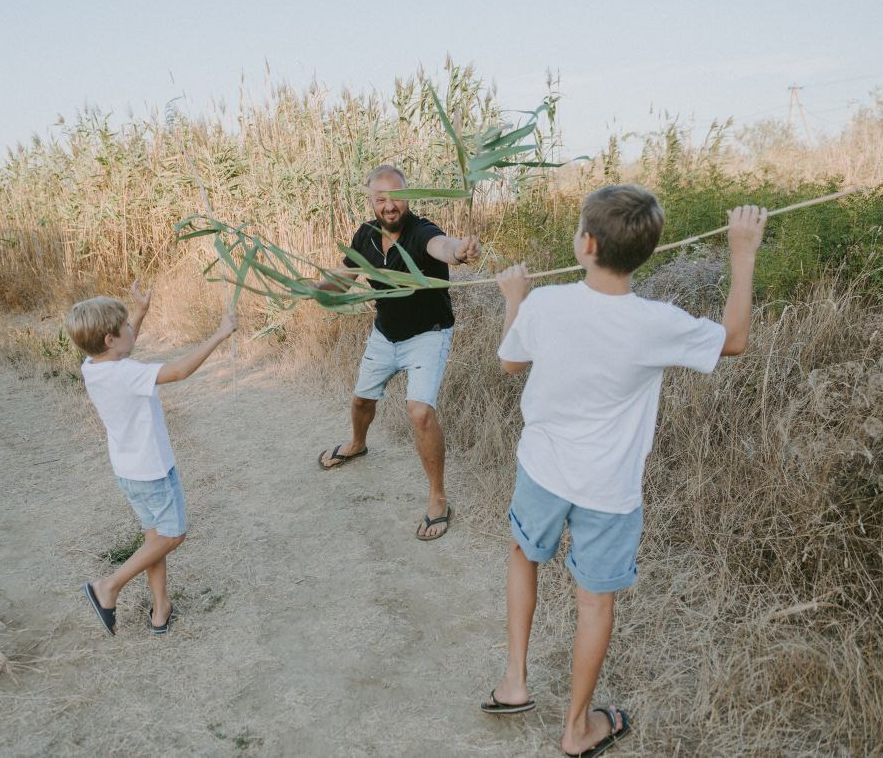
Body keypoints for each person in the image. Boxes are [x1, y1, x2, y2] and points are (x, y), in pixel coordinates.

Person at [483, 185, 767, 757]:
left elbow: (512, 361)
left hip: (541, 467)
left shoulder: (546, 303)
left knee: (523, 553)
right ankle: (577, 728)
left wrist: (515, 297)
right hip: (607, 488)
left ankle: (514, 681)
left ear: (586, 243)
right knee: (595, 600)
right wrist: (743, 252)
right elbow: (733, 340)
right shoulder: (654, 323)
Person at [313, 164, 479, 541]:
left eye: (397, 198)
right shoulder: (367, 235)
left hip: (427, 335)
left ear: (408, 199)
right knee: (360, 403)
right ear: (371, 200)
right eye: (381, 199)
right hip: (386, 335)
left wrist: (460, 251)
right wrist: (315, 289)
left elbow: (444, 247)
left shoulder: (422, 231)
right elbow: (343, 279)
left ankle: (438, 498)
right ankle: (357, 444)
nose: (390, 206)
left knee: (419, 411)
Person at [66, 280, 236, 636]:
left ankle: (161, 608)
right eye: (126, 327)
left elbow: (120, 351)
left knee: (154, 538)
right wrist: (219, 335)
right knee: (173, 536)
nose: (132, 331)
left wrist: (139, 313)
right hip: (152, 470)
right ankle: (108, 587)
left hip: (128, 470)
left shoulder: (93, 365)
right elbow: (179, 371)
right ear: (110, 340)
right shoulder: (126, 374)